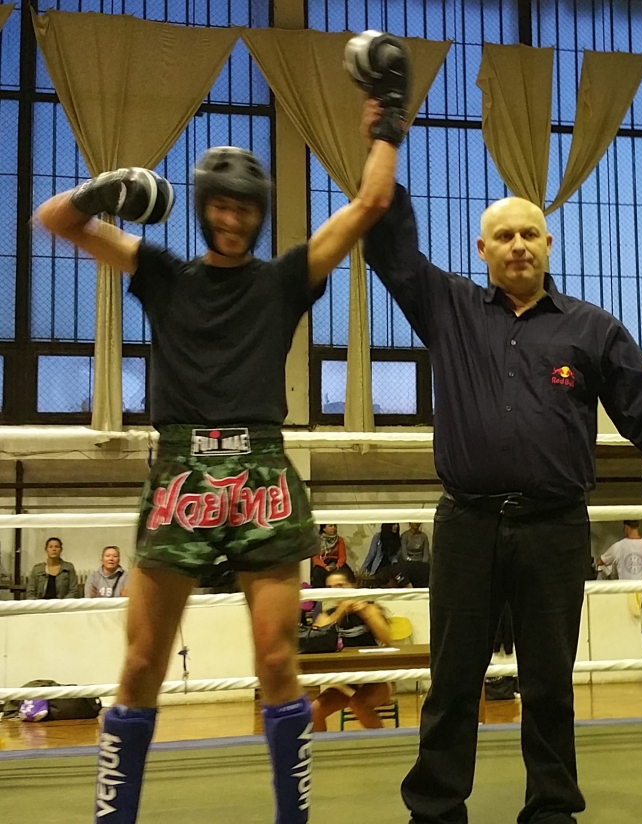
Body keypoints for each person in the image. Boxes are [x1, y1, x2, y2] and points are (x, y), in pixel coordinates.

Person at [351, 29, 642, 824]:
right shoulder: (449, 307)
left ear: (548, 244)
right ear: (482, 249)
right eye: (504, 235)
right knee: (452, 680)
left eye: (530, 233)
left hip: (554, 528)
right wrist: (385, 133)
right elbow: (388, 243)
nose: (518, 245)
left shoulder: (591, 328)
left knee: (550, 683)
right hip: (468, 524)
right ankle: (435, 809)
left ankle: (551, 809)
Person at [36, 87, 401, 822]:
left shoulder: (283, 280)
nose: (232, 220)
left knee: (278, 660)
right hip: (182, 471)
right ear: (204, 207)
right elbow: (54, 220)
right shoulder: (163, 273)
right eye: (221, 206)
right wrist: (101, 190)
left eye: (245, 209)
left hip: (262, 470)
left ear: (259, 215)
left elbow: (368, 206)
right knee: (142, 662)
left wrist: (386, 125)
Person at [309, 567, 395, 731]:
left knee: (359, 704)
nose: (335, 592)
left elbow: (387, 639)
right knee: (314, 710)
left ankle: (382, 745)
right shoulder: (327, 615)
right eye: (330, 588)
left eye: (340, 586)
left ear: (353, 586)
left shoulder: (370, 608)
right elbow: (317, 639)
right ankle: (321, 747)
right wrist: (340, 612)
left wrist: (364, 612)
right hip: (346, 682)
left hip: (376, 679)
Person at [311, 524, 348, 589]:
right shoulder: (318, 540)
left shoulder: (340, 539)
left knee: (346, 572)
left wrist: (337, 565)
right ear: (324, 529)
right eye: (330, 526)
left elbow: (342, 557)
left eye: (334, 526)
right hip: (323, 562)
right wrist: (325, 566)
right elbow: (315, 558)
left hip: (336, 562)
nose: (333, 528)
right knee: (317, 572)